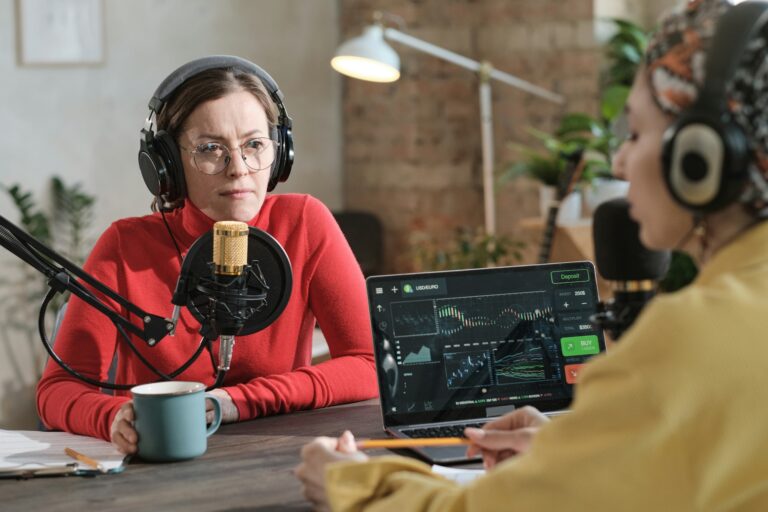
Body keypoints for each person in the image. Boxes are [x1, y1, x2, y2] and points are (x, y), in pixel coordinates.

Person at [295, 1, 768, 509]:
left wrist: (350, 482)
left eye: (634, 132)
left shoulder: (685, 340)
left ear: (703, 158)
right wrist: (577, 448)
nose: (620, 160)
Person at [36, 56, 378, 454]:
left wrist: (230, 403)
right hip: (161, 464)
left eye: (253, 145)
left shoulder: (304, 222)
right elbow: (57, 390)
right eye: (211, 149)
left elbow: (368, 364)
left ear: (279, 152)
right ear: (167, 165)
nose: (239, 168)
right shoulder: (124, 247)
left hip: (277, 456)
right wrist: (111, 416)